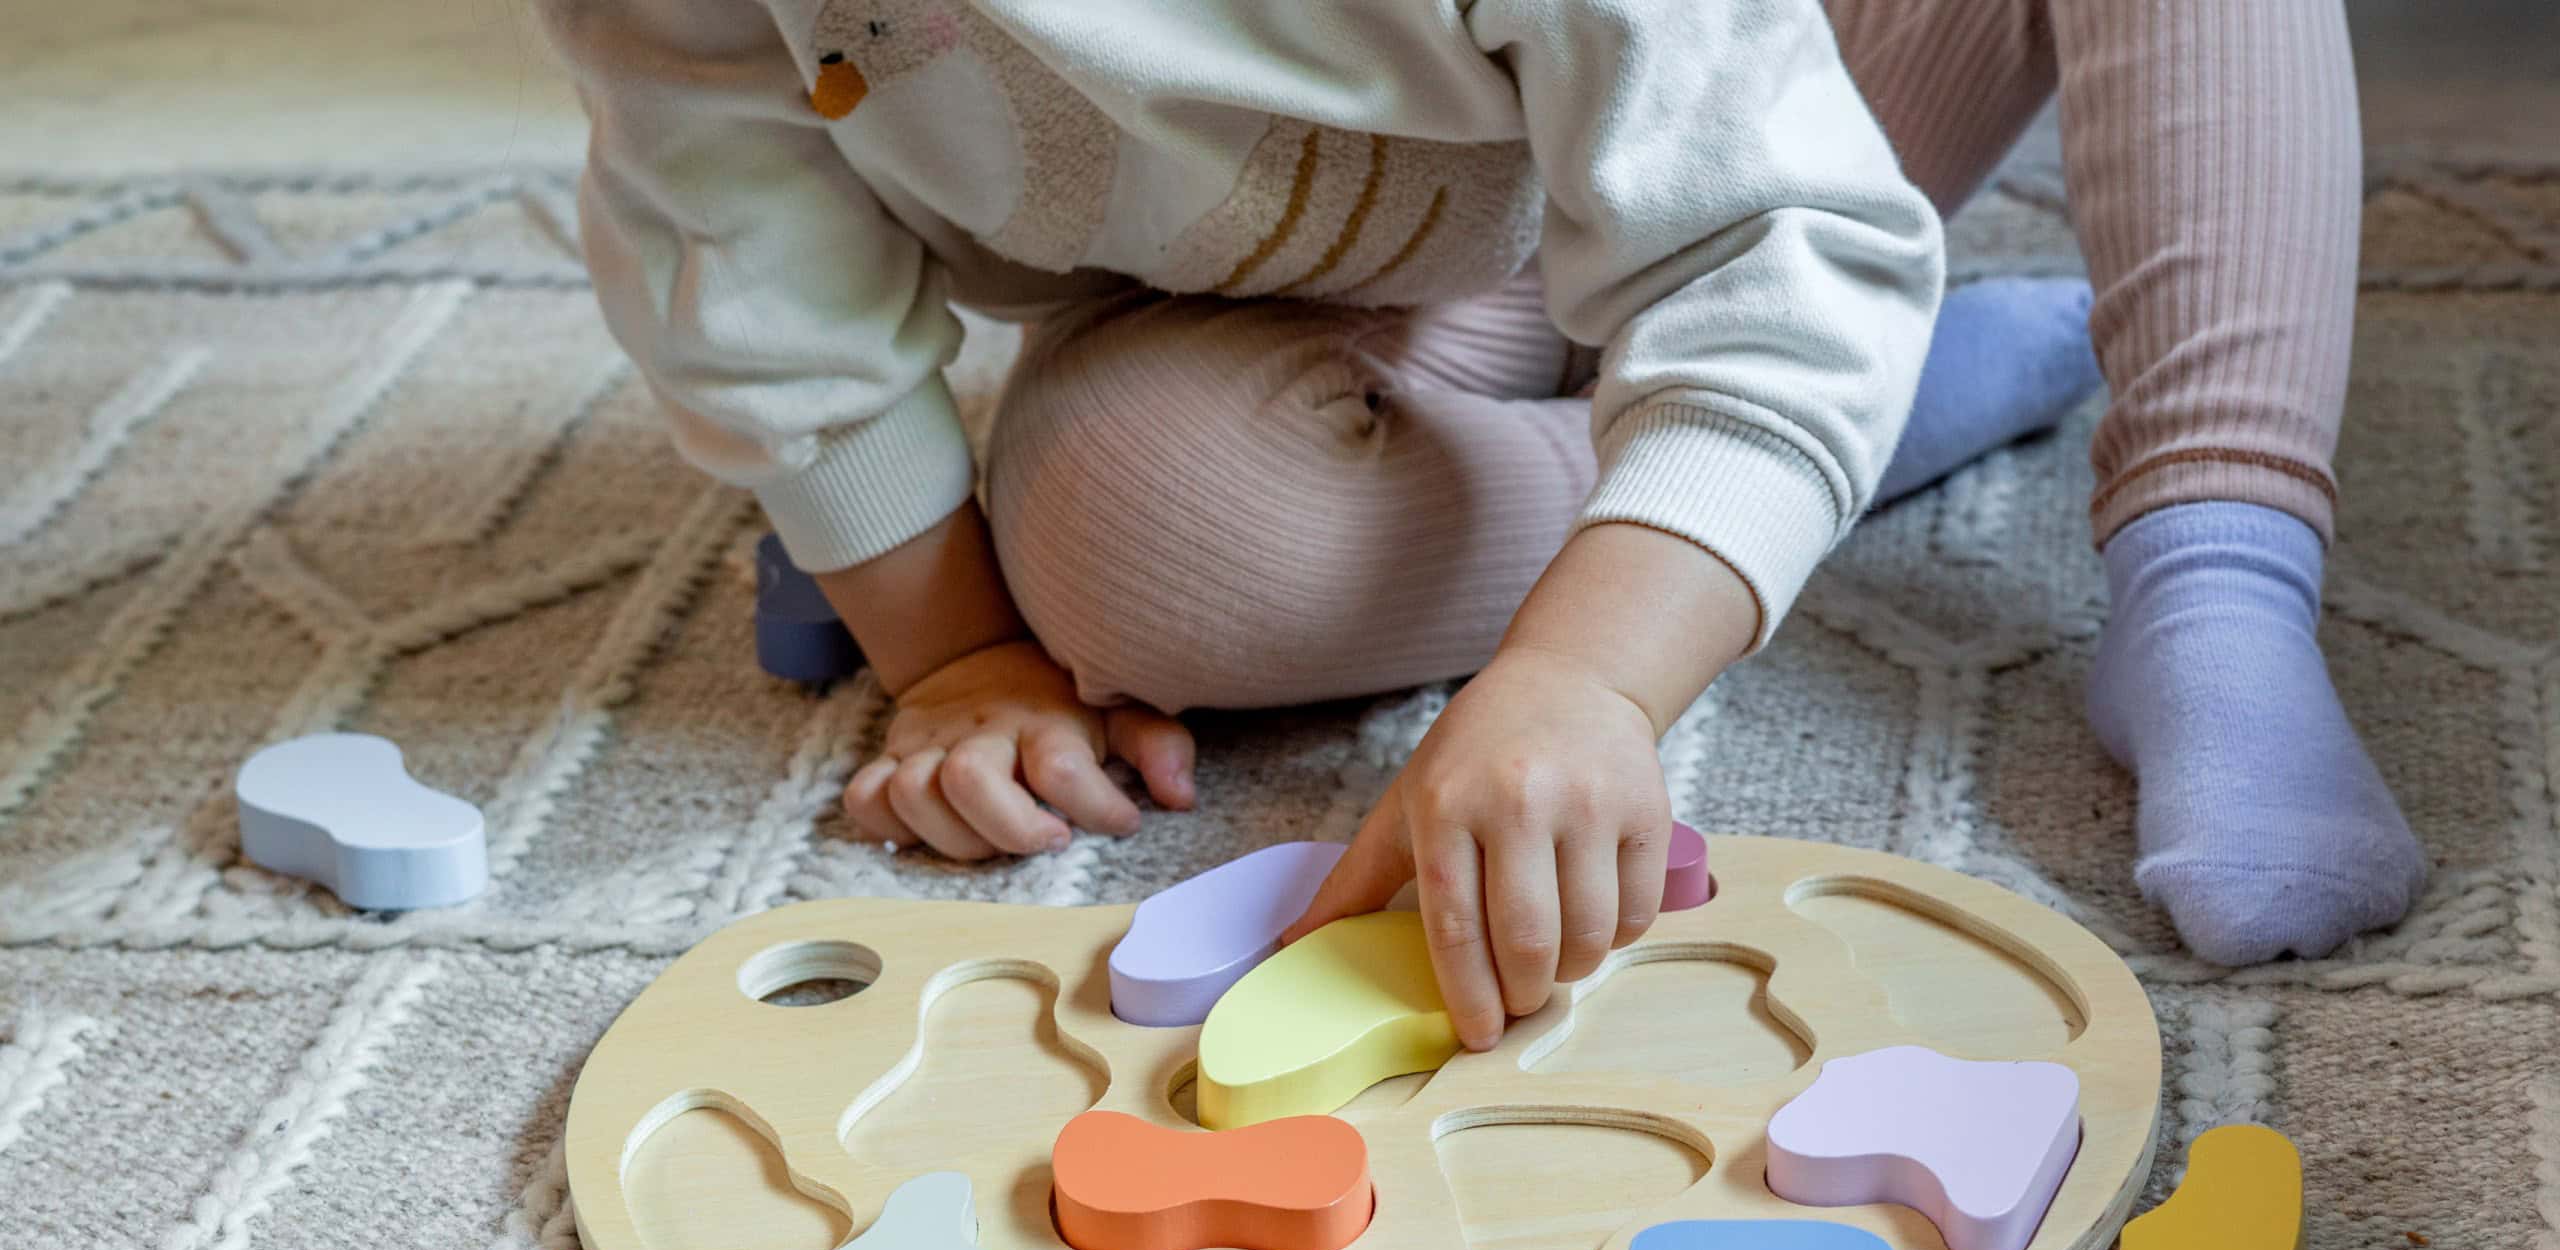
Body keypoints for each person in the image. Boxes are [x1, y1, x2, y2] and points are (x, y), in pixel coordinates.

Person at [539, 0, 2423, 1049]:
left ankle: (2212, 560)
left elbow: (1760, 220)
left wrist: (1586, 683)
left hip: (1768, 94)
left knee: (1781, 296)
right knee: (1139, 544)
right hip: (1301, 254)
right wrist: (952, 641)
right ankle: (1803, 428)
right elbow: (730, 202)